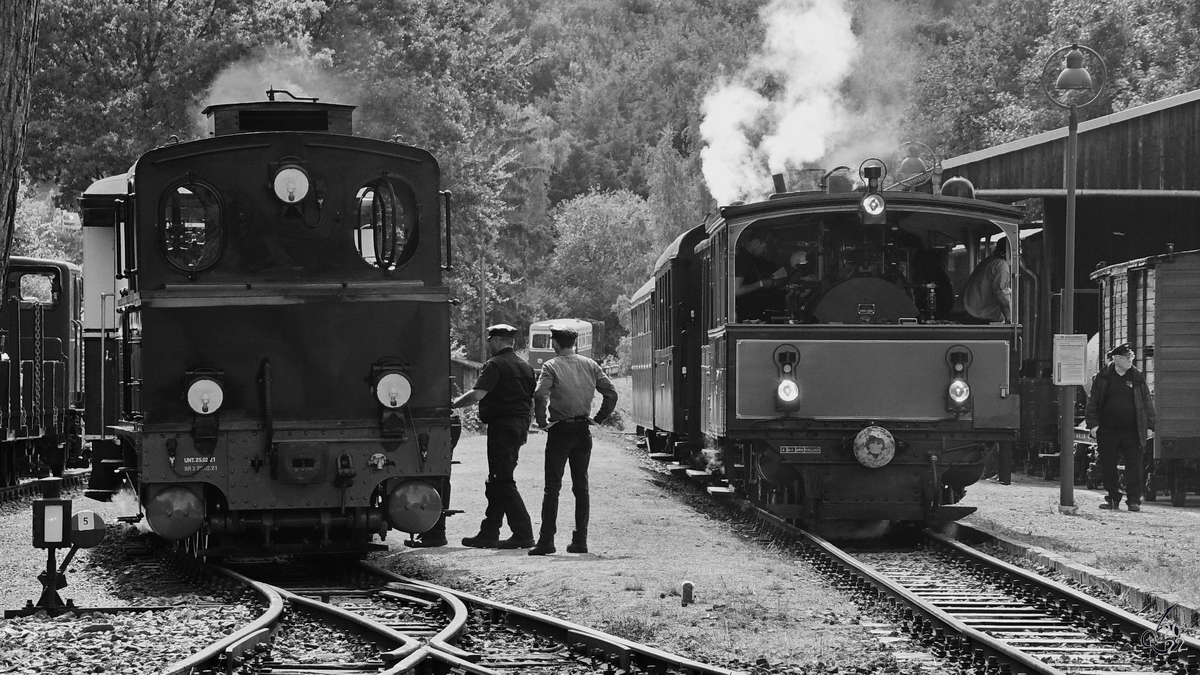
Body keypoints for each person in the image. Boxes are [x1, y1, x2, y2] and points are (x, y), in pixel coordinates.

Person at [529, 325, 618, 556]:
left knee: (552, 487)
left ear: (555, 344)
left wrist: (541, 421)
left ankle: (547, 540)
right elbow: (611, 393)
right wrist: (597, 419)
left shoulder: (551, 366)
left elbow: (539, 395)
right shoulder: (590, 365)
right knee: (581, 487)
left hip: (560, 431)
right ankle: (580, 541)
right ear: (574, 343)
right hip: (582, 431)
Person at [450, 323, 537, 549]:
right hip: (519, 426)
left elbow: (478, 394)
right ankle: (489, 531)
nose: (488, 344)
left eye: (490, 340)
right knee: (497, 480)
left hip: (502, 427)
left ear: (498, 341)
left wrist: (452, 405)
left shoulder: (495, 364)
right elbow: (532, 400)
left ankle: (523, 533)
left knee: (503, 481)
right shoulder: (525, 366)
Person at [1085, 342, 1155, 512]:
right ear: (1116, 359)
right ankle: (1113, 498)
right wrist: (1093, 425)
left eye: (1131, 357)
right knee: (1108, 465)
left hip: (1132, 430)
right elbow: (1093, 402)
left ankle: (1133, 500)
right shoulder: (1103, 377)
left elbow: (1147, 402)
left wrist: (1150, 425)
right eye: (1126, 358)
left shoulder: (1136, 376)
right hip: (1108, 430)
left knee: (1135, 466)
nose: (1130, 360)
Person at [950, 237, 1011, 324]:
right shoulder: (1001, 265)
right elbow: (1002, 295)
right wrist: (1009, 319)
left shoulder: (990, 261)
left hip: (965, 313)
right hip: (972, 317)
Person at [735, 232, 786, 321]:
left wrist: (761, 278)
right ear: (756, 243)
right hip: (746, 316)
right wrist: (761, 283)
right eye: (764, 247)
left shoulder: (750, 258)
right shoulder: (743, 259)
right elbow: (736, 290)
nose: (765, 251)